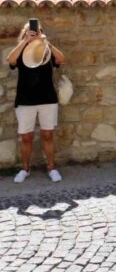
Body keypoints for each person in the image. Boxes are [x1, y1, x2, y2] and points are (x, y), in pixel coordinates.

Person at [7, 19, 66, 183]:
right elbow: (10, 60)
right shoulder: (22, 50)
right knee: (26, 137)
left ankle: (52, 168)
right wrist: (25, 41)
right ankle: (25, 169)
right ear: (25, 33)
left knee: (48, 135)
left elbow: (61, 59)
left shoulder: (46, 48)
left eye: (37, 31)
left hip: (47, 98)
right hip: (25, 100)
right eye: (31, 31)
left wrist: (46, 41)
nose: (35, 33)